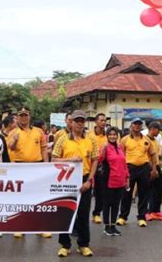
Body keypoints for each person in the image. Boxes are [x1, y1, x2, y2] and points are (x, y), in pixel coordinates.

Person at [52, 110, 98, 257]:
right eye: (76, 120)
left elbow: (95, 160)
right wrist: (70, 160)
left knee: (84, 214)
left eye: (82, 121)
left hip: (84, 179)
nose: (79, 123)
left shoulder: (91, 140)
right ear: (70, 122)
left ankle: (83, 244)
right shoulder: (63, 139)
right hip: (66, 181)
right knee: (65, 213)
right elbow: (54, 159)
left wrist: (90, 180)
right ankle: (64, 245)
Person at [8, 106, 49, 238]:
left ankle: (40, 227)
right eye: (21, 115)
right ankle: (20, 226)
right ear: (17, 117)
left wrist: (46, 164)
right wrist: (14, 140)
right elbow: (11, 147)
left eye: (26, 115)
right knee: (20, 198)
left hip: (36, 166)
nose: (24, 117)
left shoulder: (38, 131)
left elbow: (43, 148)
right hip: (20, 167)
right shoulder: (13, 132)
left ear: (29, 116)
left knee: (38, 198)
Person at [117, 117, 159, 228]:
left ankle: (141, 217)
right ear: (131, 125)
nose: (137, 126)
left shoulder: (147, 140)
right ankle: (123, 217)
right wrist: (121, 170)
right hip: (129, 169)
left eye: (139, 124)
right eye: (135, 124)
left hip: (144, 168)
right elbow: (120, 156)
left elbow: (153, 154)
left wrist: (154, 169)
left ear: (142, 126)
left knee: (143, 193)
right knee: (126, 193)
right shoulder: (124, 140)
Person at [99, 127, 129, 236]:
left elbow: (124, 165)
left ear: (117, 135)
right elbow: (99, 159)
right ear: (107, 136)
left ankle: (113, 225)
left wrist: (127, 178)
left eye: (114, 134)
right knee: (107, 204)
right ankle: (107, 226)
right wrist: (102, 150)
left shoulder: (120, 147)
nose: (112, 136)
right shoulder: (105, 147)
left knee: (116, 204)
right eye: (110, 134)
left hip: (120, 180)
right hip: (108, 179)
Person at [146, 122, 162, 221]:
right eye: (158, 130)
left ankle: (156, 211)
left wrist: (158, 163)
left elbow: (156, 155)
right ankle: (148, 212)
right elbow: (146, 157)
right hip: (150, 167)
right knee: (150, 190)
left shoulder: (155, 140)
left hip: (157, 166)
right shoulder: (145, 140)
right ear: (153, 129)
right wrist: (153, 169)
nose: (159, 132)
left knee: (160, 189)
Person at [91, 113, 107, 224]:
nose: (103, 122)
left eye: (105, 120)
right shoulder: (88, 135)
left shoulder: (109, 135)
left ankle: (97, 213)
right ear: (96, 122)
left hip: (103, 166)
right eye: (101, 120)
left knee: (101, 192)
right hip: (90, 165)